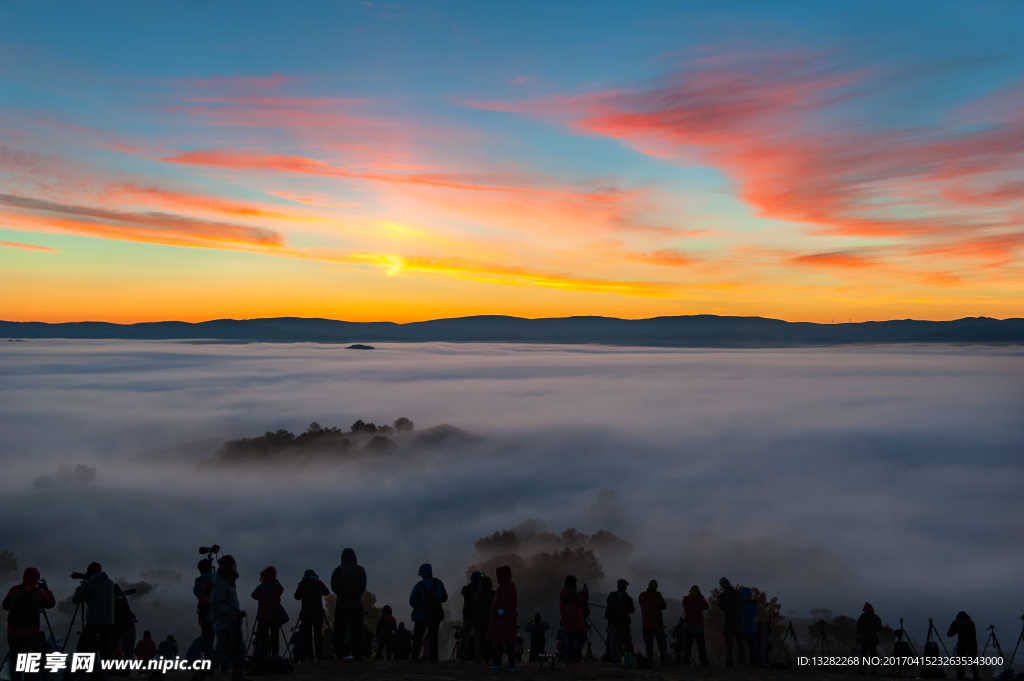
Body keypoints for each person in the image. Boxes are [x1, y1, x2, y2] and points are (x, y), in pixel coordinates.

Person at [191, 555, 248, 681]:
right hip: (225, 622)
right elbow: (215, 603)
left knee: (237, 650)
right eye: (234, 565)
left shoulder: (220, 581)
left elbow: (199, 595)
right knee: (220, 655)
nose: (236, 568)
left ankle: (237, 676)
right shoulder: (221, 582)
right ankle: (198, 677)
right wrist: (231, 611)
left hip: (219, 619)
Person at [3, 567, 56, 681]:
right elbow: (51, 603)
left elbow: (5, 605)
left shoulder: (14, 590)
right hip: (30, 634)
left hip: (12, 632)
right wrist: (46, 589)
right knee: (29, 664)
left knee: (15, 662)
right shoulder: (39, 593)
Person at [72, 563, 116, 678]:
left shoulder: (89, 584)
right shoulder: (110, 583)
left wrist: (80, 589)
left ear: (90, 572)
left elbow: (76, 600)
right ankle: (108, 674)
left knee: (82, 646)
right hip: (109, 621)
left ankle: (83, 671)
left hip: (94, 620)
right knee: (104, 648)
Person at [331, 548, 367, 660]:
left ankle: (339, 653)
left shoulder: (337, 570)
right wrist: (354, 596)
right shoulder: (360, 570)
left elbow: (334, 586)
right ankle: (358, 654)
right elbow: (362, 586)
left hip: (341, 604)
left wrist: (342, 596)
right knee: (357, 630)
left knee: (339, 630)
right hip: (356, 604)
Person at [408, 563, 447, 664]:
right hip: (435, 615)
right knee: (434, 637)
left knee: (417, 637)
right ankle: (434, 659)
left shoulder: (418, 585)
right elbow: (444, 598)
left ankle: (414, 658)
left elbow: (412, 601)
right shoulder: (439, 583)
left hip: (420, 616)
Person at [251, 566, 287, 660]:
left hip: (263, 617)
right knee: (275, 638)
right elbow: (281, 589)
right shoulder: (277, 587)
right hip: (275, 616)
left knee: (263, 639)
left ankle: (262, 658)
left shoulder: (260, 588)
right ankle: (275, 657)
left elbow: (253, 595)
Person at [293, 569, 329, 662]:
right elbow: (326, 592)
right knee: (318, 635)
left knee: (307, 637)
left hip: (306, 614)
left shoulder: (302, 584)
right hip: (318, 613)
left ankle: (310, 657)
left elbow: (296, 597)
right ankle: (319, 656)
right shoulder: (319, 583)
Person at [487, 565, 518, 671]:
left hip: (501, 619)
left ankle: (497, 663)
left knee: (498, 641)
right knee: (510, 642)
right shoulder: (512, 585)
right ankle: (512, 664)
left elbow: (497, 602)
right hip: (511, 617)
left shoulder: (502, 586)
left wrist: (492, 611)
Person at [188, 559, 215, 663]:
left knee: (208, 641)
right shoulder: (217, 578)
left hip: (205, 615)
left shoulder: (198, 582)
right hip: (219, 614)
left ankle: (209, 664)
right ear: (210, 567)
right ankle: (226, 664)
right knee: (224, 639)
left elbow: (197, 594)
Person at [558, 576, 588, 666]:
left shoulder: (563, 593)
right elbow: (582, 603)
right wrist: (585, 595)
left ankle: (568, 661)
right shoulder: (572, 594)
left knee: (569, 643)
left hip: (567, 622)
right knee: (580, 641)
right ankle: (575, 660)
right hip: (577, 622)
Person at [638, 579, 668, 665]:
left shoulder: (642, 596)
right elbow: (663, 606)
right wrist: (660, 596)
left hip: (646, 624)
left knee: (648, 645)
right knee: (662, 644)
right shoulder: (657, 597)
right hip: (657, 625)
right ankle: (664, 661)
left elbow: (641, 604)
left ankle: (649, 662)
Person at [605, 579, 635, 663]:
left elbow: (608, 605)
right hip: (624, 622)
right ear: (624, 587)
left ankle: (616, 660)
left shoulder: (611, 595)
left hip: (613, 622)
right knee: (627, 642)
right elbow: (632, 610)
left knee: (614, 642)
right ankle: (629, 660)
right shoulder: (627, 598)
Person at [717, 578, 745, 666]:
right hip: (739, 621)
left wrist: (719, 600)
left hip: (728, 621)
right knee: (740, 642)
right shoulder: (738, 593)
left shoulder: (723, 595)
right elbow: (742, 605)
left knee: (729, 643)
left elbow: (721, 607)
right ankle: (742, 661)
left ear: (722, 585)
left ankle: (729, 662)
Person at [947, 612, 980, 681]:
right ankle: (976, 677)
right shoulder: (971, 622)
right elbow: (974, 634)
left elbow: (949, 634)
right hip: (972, 644)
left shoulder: (956, 622)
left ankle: (960, 677)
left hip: (962, 644)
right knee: (974, 662)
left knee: (960, 662)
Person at [681, 585, 709, 666]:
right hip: (699, 627)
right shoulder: (700, 599)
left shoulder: (686, 599)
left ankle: (686, 661)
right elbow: (706, 607)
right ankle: (703, 661)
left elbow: (683, 605)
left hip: (688, 626)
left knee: (687, 646)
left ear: (690, 591)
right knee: (701, 646)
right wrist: (701, 596)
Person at [111, 583, 137, 668]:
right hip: (129, 625)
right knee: (128, 651)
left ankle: (112, 671)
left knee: (112, 650)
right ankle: (125, 671)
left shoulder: (111, 599)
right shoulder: (122, 598)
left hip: (116, 627)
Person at [459, 572, 482, 661]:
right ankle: (479, 657)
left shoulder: (466, 589)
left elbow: (463, 591)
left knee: (464, 636)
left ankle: (462, 656)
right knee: (478, 637)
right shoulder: (480, 590)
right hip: (477, 616)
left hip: (467, 616)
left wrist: (470, 584)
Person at [473, 575, 495, 664]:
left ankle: (481, 658)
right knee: (490, 640)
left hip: (480, 621)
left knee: (481, 640)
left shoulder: (477, 595)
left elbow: (474, 610)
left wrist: (475, 622)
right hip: (491, 620)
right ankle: (491, 658)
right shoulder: (494, 594)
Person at [857, 602, 881, 676]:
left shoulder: (862, 617)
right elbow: (879, 629)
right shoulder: (876, 618)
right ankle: (873, 671)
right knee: (873, 656)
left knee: (864, 656)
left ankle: (862, 671)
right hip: (873, 640)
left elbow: (858, 630)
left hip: (864, 640)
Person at [740, 587, 758, 665]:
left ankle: (742, 661)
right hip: (752, 628)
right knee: (752, 647)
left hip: (743, 628)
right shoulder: (754, 603)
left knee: (741, 645)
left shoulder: (742, 604)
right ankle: (754, 662)